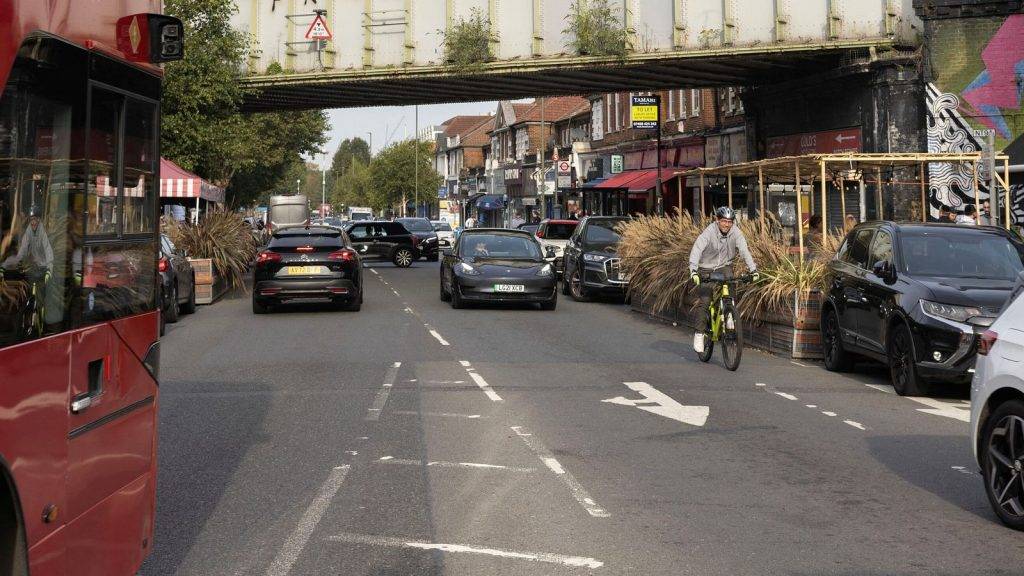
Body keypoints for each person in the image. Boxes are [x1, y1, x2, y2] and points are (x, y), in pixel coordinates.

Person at [688, 206, 759, 353]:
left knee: (730, 283)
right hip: (706, 267)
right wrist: (693, 271)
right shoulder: (709, 232)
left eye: (730, 222)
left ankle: (729, 314)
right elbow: (696, 249)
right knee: (705, 300)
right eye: (724, 221)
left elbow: (745, 251)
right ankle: (699, 334)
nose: (727, 224)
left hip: (724, 266)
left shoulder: (736, 233)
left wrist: (753, 270)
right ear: (717, 220)